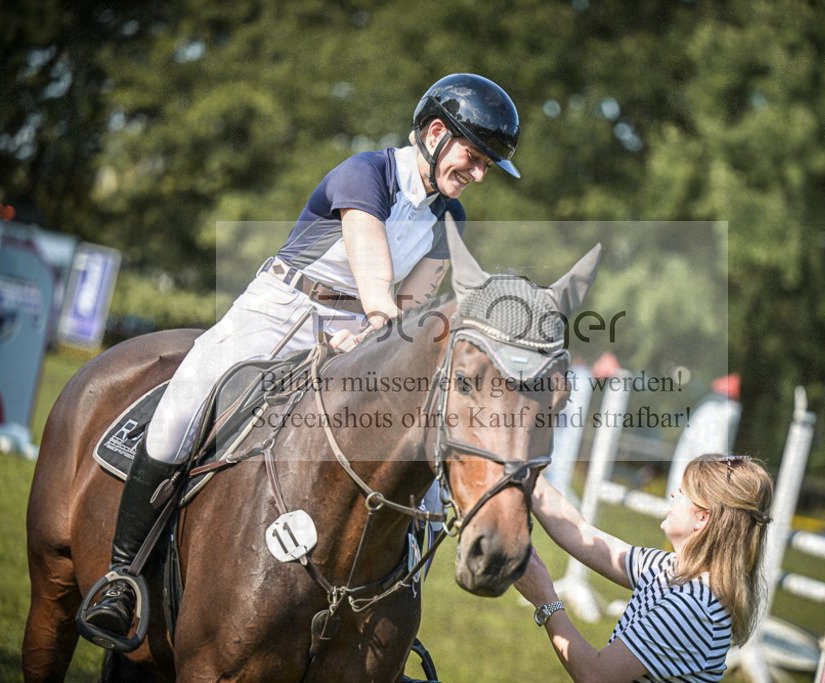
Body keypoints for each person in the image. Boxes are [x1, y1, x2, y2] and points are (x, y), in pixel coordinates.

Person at [84, 73, 522, 639]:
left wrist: (372, 340)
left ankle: (385, 627)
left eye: (488, 164)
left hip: (364, 330)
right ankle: (122, 579)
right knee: (178, 416)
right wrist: (377, 328)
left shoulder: (450, 219)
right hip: (283, 309)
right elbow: (374, 272)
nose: (479, 173)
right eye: (474, 155)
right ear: (435, 132)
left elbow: (412, 305)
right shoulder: (365, 173)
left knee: (428, 481)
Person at [515, 453, 773, 682]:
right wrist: (522, 467)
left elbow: (596, 676)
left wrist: (545, 600)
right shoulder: (670, 569)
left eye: (683, 492)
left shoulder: (692, 605)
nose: (673, 494)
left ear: (702, 518)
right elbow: (580, 533)